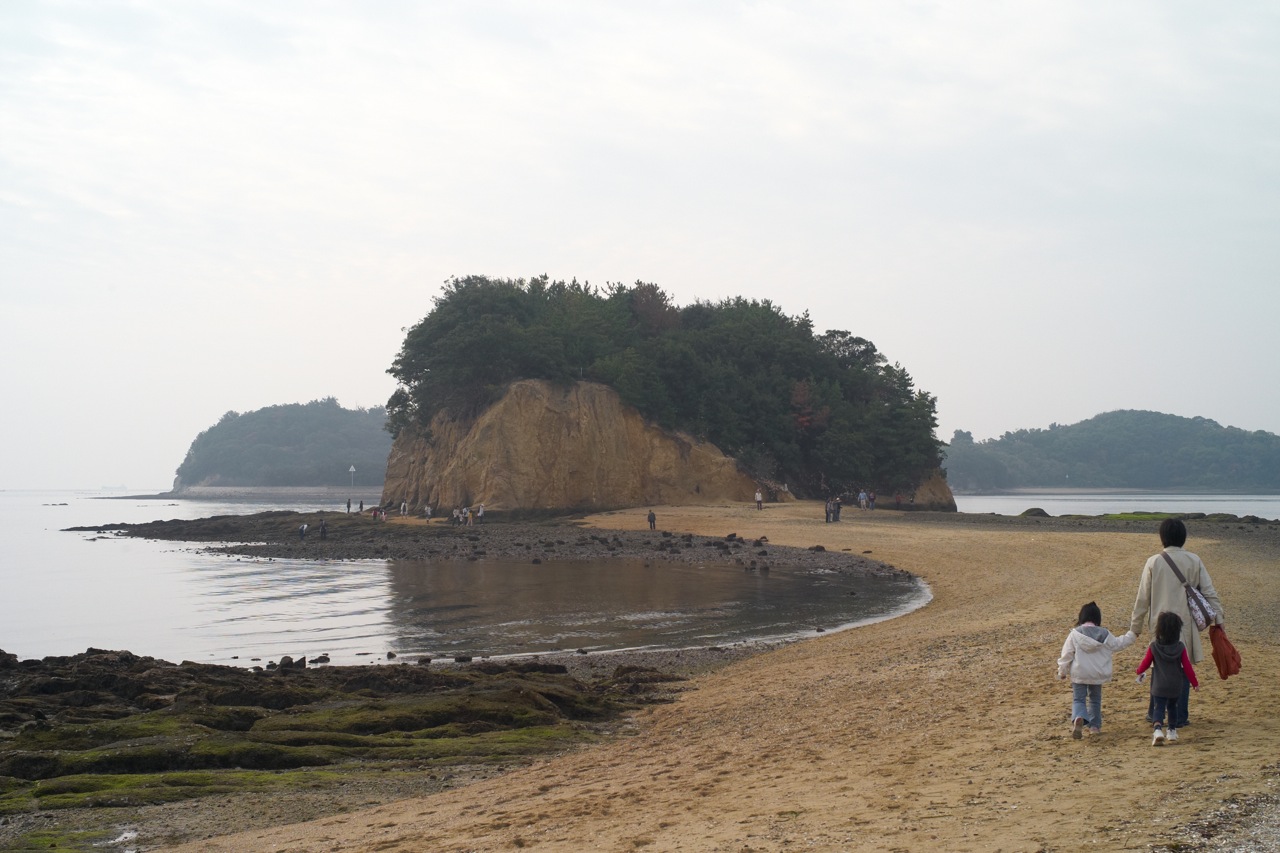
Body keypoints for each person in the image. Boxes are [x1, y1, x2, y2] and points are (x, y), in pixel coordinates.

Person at [1129, 518, 1223, 728]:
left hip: (1159, 625)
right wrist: (1219, 619)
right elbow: (1209, 592)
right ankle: (1180, 716)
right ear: (1183, 538)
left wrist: (1135, 628)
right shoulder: (1194, 560)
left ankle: (1154, 713)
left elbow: (1142, 599)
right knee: (1182, 667)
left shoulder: (1153, 561)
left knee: (1159, 665)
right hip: (1184, 626)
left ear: (1162, 538)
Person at [1056, 601, 1135, 738]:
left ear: (1081, 617)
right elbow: (1118, 644)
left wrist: (1062, 671)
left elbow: (1067, 654)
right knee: (1095, 700)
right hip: (1097, 674)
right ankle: (1094, 727)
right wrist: (1132, 635)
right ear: (1098, 618)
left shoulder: (1075, 634)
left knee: (1079, 699)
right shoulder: (1105, 634)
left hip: (1079, 673)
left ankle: (1079, 717)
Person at [1136, 611, 1199, 746]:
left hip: (1159, 685)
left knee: (1158, 708)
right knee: (1172, 707)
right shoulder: (1180, 647)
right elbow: (1187, 667)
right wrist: (1194, 683)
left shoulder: (1154, 647)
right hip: (1175, 685)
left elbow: (1146, 663)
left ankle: (1158, 729)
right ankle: (1171, 731)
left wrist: (1139, 671)